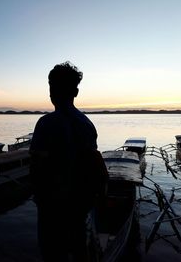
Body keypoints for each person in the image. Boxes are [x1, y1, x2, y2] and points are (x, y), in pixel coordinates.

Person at [29, 61, 108, 262]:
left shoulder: (46, 124)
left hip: (52, 207)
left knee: (52, 253)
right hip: (79, 205)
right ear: (76, 92)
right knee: (79, 250)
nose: (50, 92)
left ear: (52, 91)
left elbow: (37, 168)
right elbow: (93, 162)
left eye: (52, 86)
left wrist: (38, 195)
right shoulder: (86, 124)